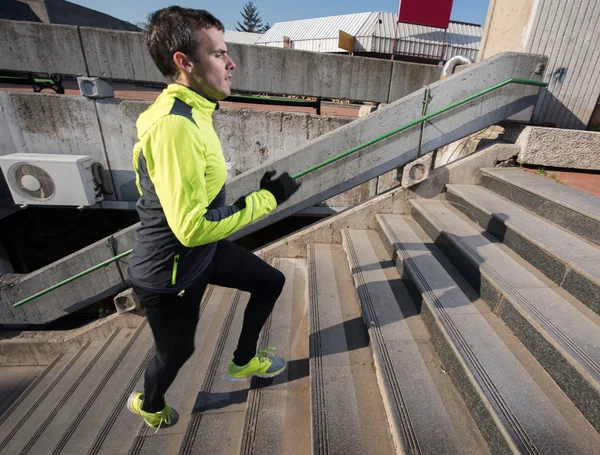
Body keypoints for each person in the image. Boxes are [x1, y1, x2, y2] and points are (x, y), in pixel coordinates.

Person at [125, 6, 300, 431]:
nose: (231, 62)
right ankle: (148, 403)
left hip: (199, 254)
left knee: (270, 281)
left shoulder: (196, 111)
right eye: (219, 53)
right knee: (177, 352)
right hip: (167, 275)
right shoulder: (174, 127)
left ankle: (242, 361)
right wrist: (265, 200)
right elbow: (190, 227)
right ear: (184, 63)